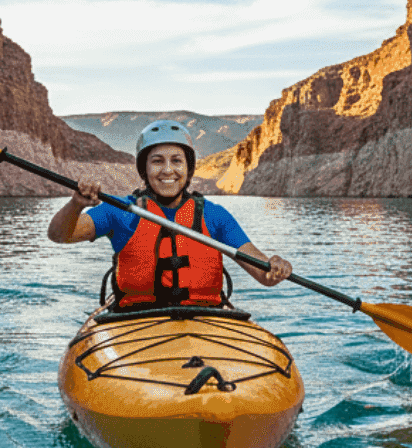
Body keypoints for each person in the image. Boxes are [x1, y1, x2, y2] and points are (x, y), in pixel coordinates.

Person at [47, 118, 292, 309]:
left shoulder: (215, 216)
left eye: (176, 161)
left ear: (188, 168)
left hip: (206, 320)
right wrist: (76, 204)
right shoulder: (120, 211)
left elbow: (263, 274)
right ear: (144, 168)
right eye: (157, 161)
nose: (167, 170)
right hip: (135, 321)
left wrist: (275, 266)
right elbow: (59, 235)